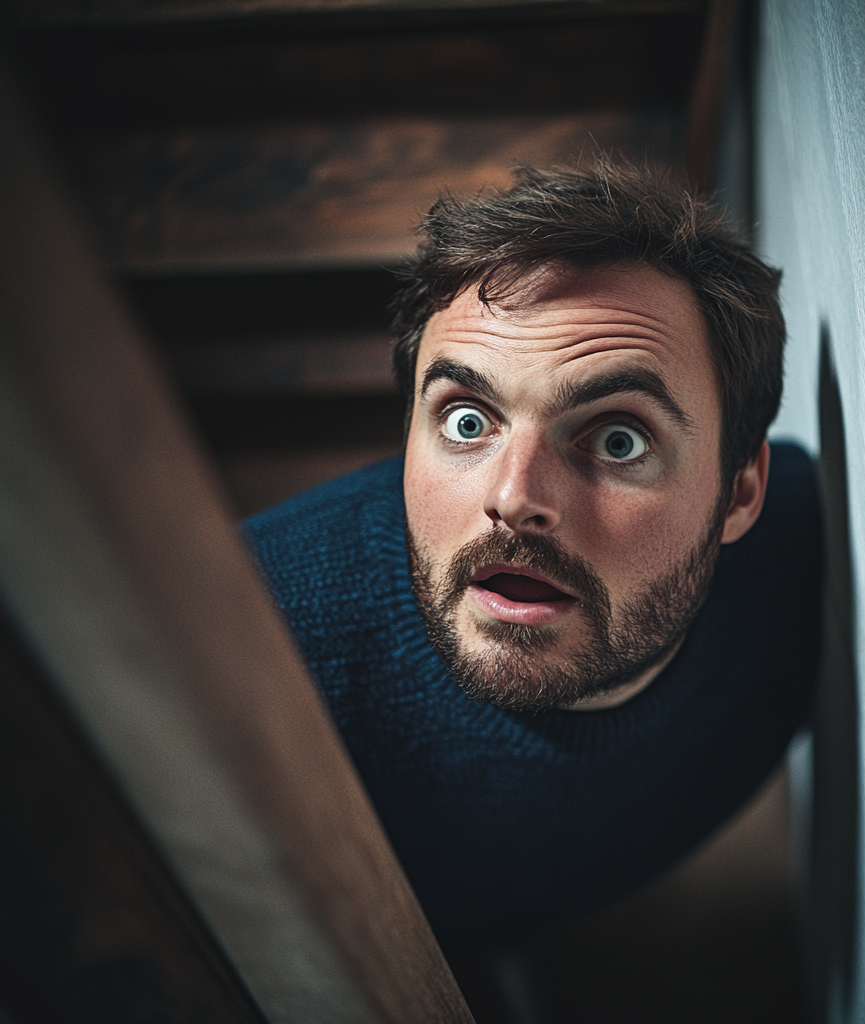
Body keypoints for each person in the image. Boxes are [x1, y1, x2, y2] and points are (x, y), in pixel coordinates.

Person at [242, 162, 821, 951]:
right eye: (468, 421)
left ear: (738, 492)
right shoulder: (248, 653)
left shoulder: (804, 564)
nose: (513, 497)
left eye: (618, 438)